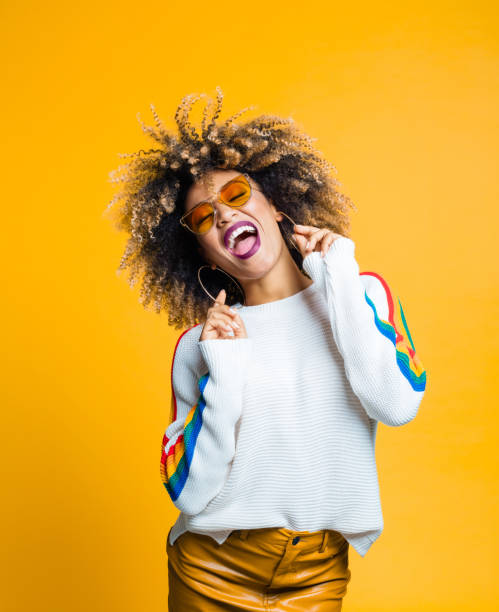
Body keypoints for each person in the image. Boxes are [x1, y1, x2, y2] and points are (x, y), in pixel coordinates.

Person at [106, 87, 427, 611]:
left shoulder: (361, 292)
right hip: (211, 566)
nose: (223, 216)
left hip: (316, 571)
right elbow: (190, 491)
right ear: (203, 249)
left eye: (234, 195)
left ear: (274, 204)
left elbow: (396, 405)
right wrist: (226, 369)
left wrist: (337, 277)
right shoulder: (201, 345)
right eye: (204, 218)